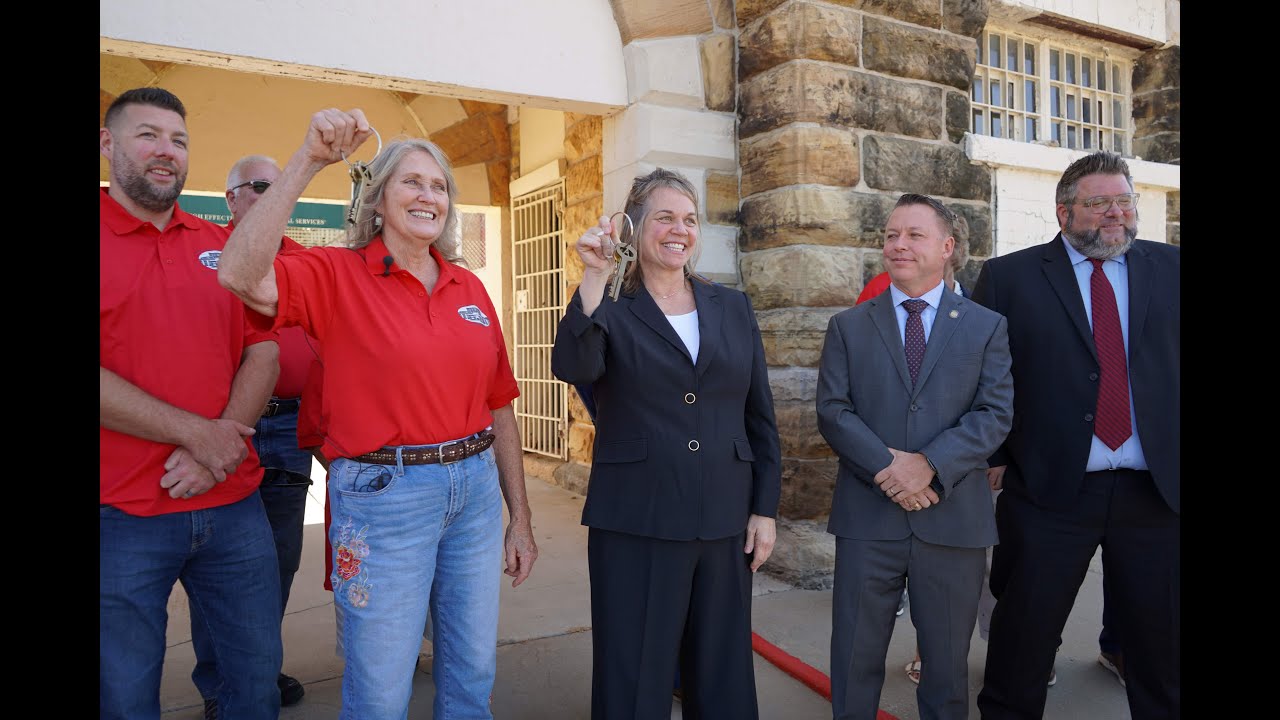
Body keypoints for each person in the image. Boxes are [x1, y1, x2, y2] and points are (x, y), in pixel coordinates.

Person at [217, 108, 540, 719]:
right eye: (411, 182)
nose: (428, 195)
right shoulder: (336, 274)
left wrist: (518, 518)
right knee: (380, 684)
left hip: (471, 493)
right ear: (378, 197)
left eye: (440, 184)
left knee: (471, 672)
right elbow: (237, 273)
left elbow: (500, 405)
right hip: (384, 497)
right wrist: (309, 159)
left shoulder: (468, 289)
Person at [550, 168, 782, 719]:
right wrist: (593, 277)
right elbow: (572, 364)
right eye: (664, 218)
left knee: (722, 676)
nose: (679, 230)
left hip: (724, 518)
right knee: (633, 678)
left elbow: (760, 415)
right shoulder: (607, 304)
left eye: (689, 219)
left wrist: (764, 509)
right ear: (632, 228)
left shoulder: (732, 307)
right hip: (637, 520)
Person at [973, 151, 1179, 719]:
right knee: (1024, 638)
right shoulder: (1008, 277)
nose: (1115, 214)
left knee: (1162, 647)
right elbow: (984, 374)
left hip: (1155, 490)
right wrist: (993, 454)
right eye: (1099, 203)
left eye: (1124, 201)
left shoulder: (1173, 268)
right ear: (1064, 212)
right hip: (1049, 489)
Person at [99, 87, 283, 720]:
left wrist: (219, 446)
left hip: (233, 504)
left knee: (253, 687)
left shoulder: (221, 245)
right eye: (148, 135)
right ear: (107, 145)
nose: (165, 152)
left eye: (178, 141)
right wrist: (199, 435)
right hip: (121, 512)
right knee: (124, 696)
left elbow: (264, 352)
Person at [816, 193, 1014, 720]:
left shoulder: (986, 326)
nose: (898, 245)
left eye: (914, 235)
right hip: (867, 519)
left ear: (947, 247)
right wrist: (891, 466)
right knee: (854, 658)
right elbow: (833, 411)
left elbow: (995, 413)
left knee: (947, 671)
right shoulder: (849, 326)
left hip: (952, 521)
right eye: (890, 235)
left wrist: (927, 464)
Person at [186, 155, 314, 718]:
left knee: (277, 559)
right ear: (231, 197)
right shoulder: (209, 256)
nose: (271, 193)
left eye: (278, 185)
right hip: (227, 425)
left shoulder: (306, 262)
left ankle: (258, 668)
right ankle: (221, 685)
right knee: (217, 562)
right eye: (260, 185)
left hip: (289, 425)